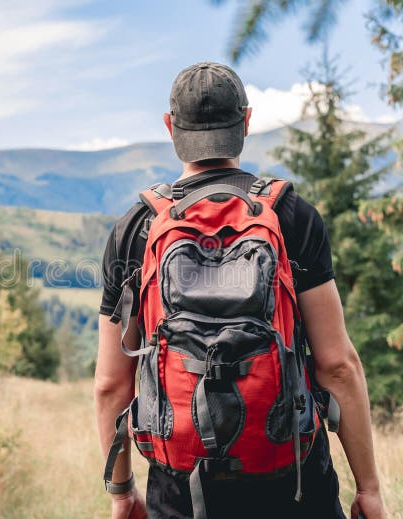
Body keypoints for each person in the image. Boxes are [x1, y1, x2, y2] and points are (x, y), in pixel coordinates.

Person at [94, 62, 385, 519]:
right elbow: (338, 366)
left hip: (179, 489)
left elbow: (112, 384)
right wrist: (368, 489)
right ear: (246, 121)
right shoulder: (292, 216)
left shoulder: (136, 229)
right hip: (292, 479)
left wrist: (121, 491)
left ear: (171, 128)